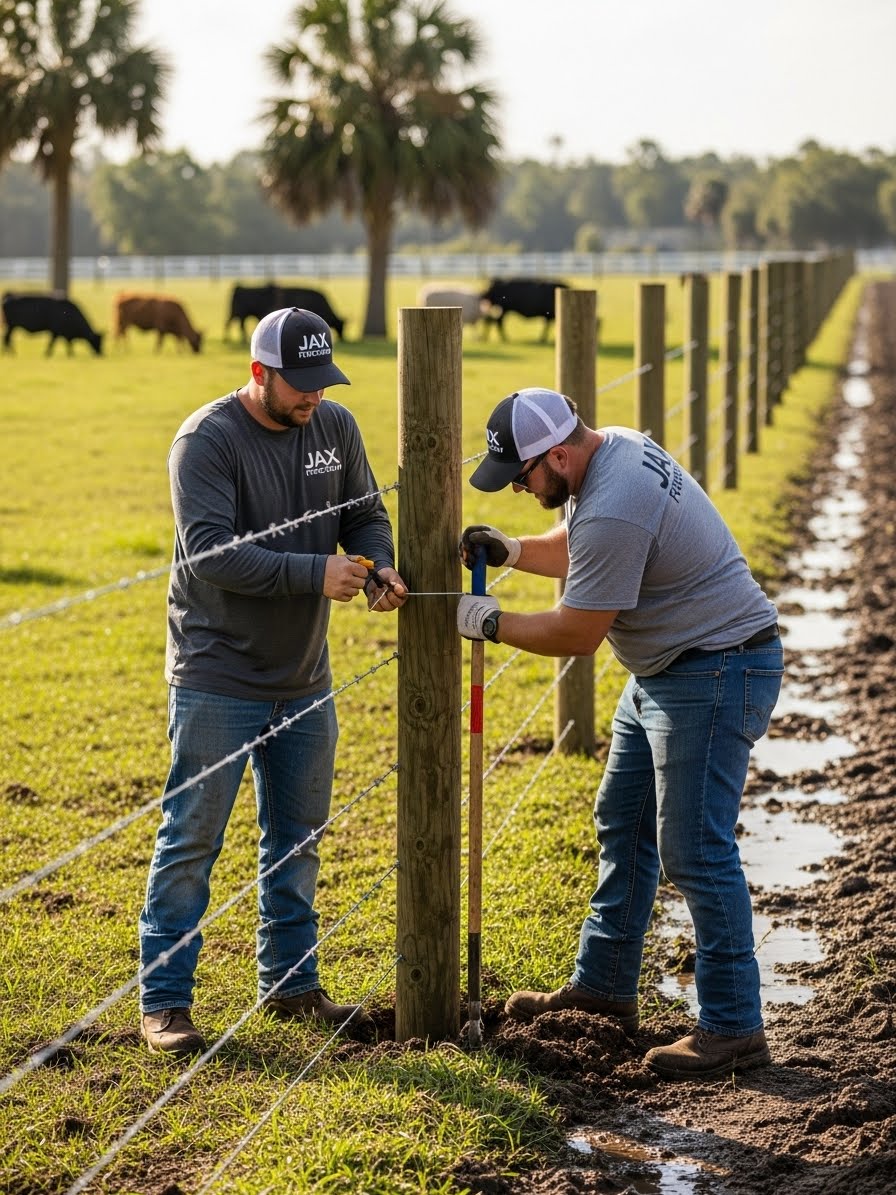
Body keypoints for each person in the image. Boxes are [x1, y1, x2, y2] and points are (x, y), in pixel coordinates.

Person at [457, 387, 783, 1080]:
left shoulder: (614, 502)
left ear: (561, 454)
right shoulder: (613, 454)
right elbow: (582, 548)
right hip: (670, 666)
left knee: (694, 847)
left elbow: (577, 631)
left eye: (523, 476)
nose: (518, 487)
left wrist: (490, 621)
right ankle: (603, 988)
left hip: (716, 670)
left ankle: (733, 1026)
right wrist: (513, 551)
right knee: (622, 818)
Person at [139, 307, 406, 1056]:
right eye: (300, 385)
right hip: (217, 673)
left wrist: (379, 563)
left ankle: (291, 984)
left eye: (324, 381)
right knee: (192, 841)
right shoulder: (207, 440)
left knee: (298, 838)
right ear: (259, 373)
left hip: (303, 674)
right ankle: (164, 1004)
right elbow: (209, 555)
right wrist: (314, 572)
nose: (314, 397)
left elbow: (366, 515)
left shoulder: (335, 426)